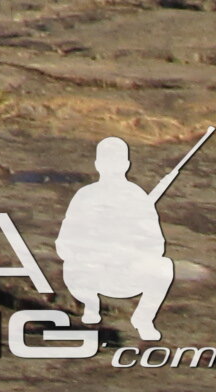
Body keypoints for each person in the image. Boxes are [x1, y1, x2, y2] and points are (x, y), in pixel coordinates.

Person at [57, 135, 180, 340]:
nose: (111, 167)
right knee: (71, 267)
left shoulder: (138, 197)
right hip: (91, 272)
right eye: (107, 161)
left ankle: (143, 318)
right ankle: (91, 306)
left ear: (126, 165)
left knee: (164, 266)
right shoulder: (85, 196)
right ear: (98, 164)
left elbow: (156, 244)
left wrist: (129, 249)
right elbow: (64, 243)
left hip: (126, 273)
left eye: (116, 162)